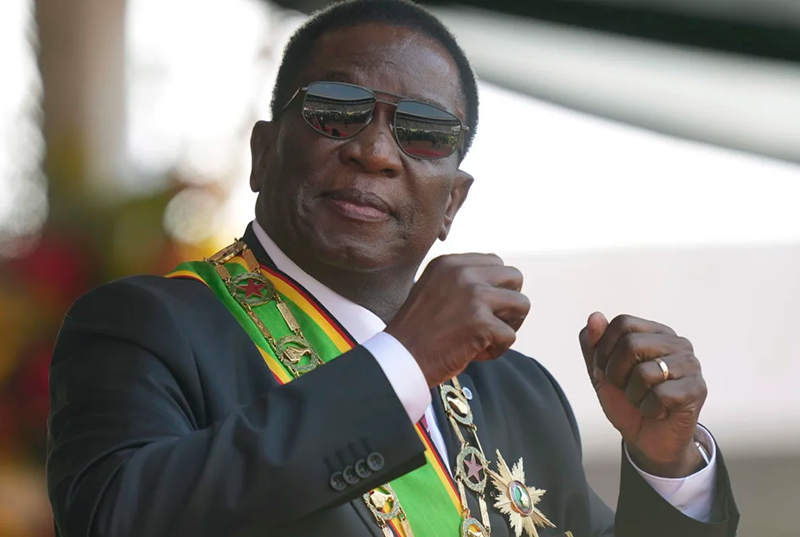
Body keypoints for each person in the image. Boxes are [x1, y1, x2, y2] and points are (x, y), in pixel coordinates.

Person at [46, 1, 739, 536]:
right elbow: (117, 516)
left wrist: (668, 464)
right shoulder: (149, 327)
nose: (375, 151)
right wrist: (401, 360)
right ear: (262, 153)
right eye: (336, 112)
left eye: (423, 132)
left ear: (452, 203)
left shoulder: (521, 392)